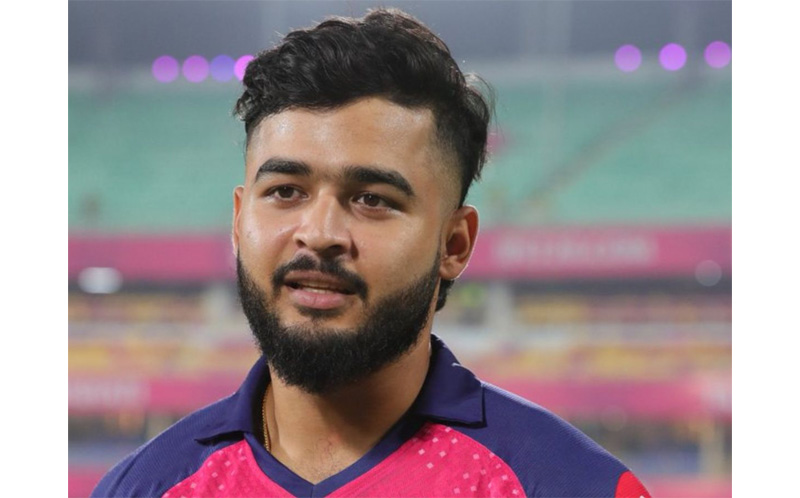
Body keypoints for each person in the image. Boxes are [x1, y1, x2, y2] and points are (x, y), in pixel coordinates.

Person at [92, 8, 650, 498]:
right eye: (285, 191)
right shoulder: (144, 488)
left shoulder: (569, 485)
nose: (319, 233)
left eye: (372, 199)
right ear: (239, 221)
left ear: (454, 244)